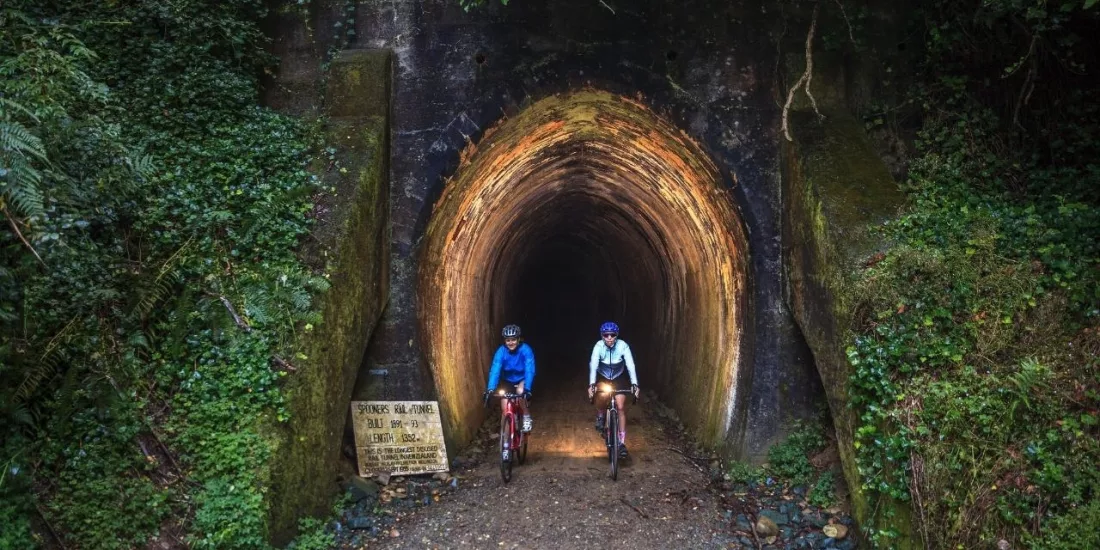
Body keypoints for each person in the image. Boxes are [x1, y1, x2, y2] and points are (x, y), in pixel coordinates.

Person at [586, 321, 639, 458]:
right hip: (604, 377)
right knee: (602, 395)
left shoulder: (623, 346)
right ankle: (601, 414)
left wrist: (635, 384)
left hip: (619, 377)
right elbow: (593, 365)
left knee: (620, 406)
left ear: (616, 336)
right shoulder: (598, 346)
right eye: (606, 335)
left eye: (612, 335)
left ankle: (621, 443)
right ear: (602, 336)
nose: (609, 338)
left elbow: (630, 365)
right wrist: (592, 384)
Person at [483, 324, 536, 432]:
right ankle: (506, 442)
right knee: (505, 407)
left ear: (518, 339)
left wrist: (528, 389)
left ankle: (526, 416)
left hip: (522, 378)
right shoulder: (501, 351)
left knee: (520, 392)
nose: (511, 342)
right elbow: (495, 369)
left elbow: (529, 369)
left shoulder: (525, 350)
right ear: (504, 341)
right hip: (508, 380)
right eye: (508, 340)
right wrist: (490, 389)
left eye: (513, 339)